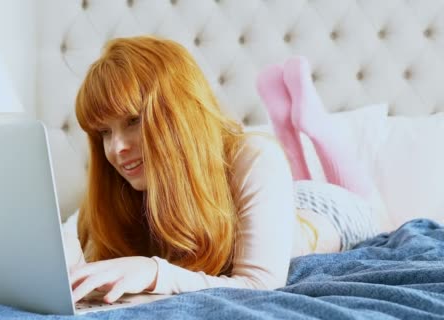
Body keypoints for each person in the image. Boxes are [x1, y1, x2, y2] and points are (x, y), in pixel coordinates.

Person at [65, 35, 393, 304]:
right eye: (104, 132)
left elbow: (260, 284)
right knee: (280, 172)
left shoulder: (254, 156)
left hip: (327, 210)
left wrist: (154, 272)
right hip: (282, 197)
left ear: (177, 116)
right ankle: (288, 125)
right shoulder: (113, 192)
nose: (116, 148)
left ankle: (314, 126)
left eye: (133, 121)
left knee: (369, 203)